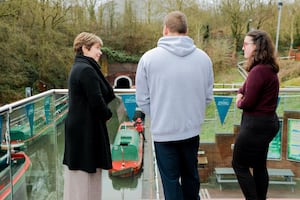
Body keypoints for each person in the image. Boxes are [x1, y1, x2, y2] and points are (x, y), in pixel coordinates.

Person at [135, 11, 214, 200]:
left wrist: (161, 115)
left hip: (164, 133)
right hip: (191, 131)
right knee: (191, 179)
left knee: (170, 184)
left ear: (165, 30)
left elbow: (142, 100)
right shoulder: (204, 58)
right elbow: (208, 97)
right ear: (186, 30)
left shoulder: (148, 59)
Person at [63, 32, 115, 200]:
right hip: (85, 131)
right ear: (85, 48)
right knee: (86, 175)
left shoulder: (79, 67)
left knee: (80, 175)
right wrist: (109, 115)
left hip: (80, 128)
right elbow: (97, 101)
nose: (100, 52)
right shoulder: (87, 70)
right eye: (97, 48)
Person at [232, 30, 280, 200]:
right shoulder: (266, 69)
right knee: (259, 165)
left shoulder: (258, 71)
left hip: (256, 126)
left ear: (257, 47)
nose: (243, 47)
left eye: (246, 44)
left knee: (239, 165)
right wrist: (241, 92)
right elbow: (243, 88)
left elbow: (247, 101)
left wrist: (239, 101)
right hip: (267, 124)